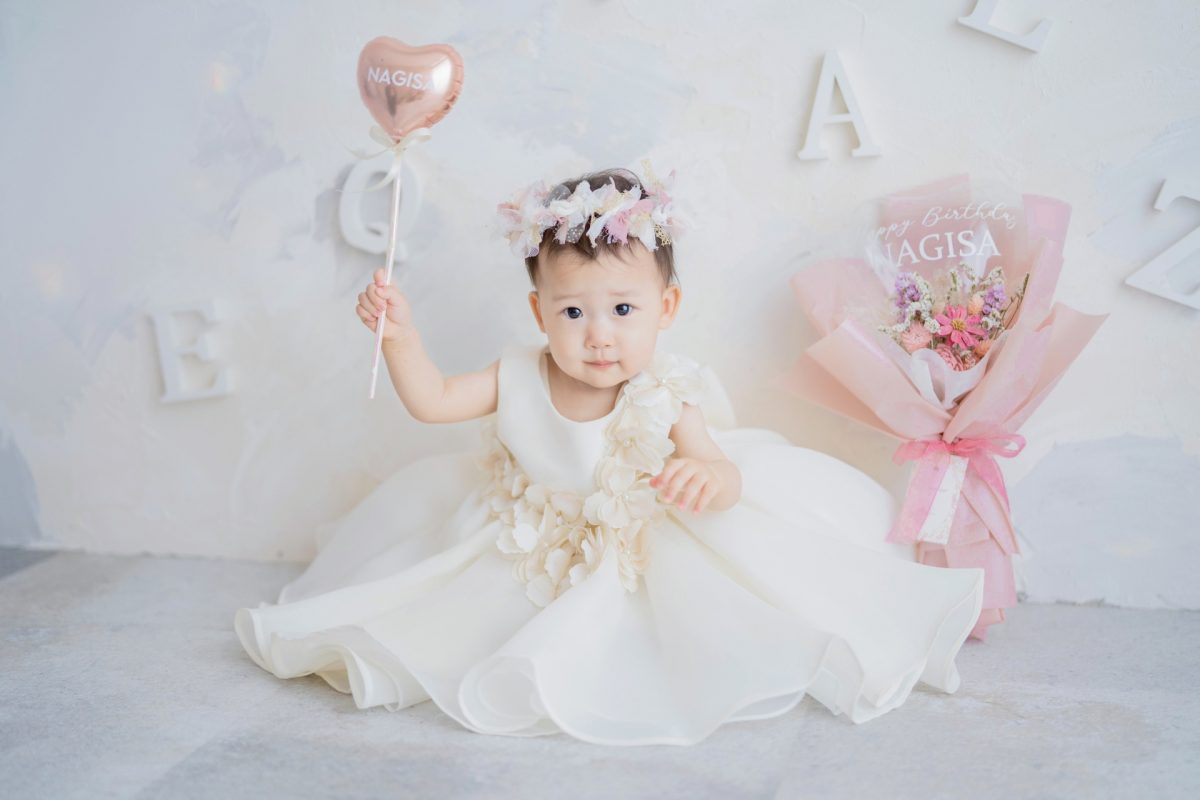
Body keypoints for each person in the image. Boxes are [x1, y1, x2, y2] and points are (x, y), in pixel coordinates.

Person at [234, 161, 985, 746]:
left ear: (667, 308)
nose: (598, 335)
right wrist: (400, 337)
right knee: (447, 624)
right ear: (539, 312)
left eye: (623, 309)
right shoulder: (515, 375)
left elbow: (722, 472)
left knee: (664, 643)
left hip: (645, 541)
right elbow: (431, 401)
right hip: (529, 544)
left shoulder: (666, 391)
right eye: (573, 311)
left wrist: (705, 478)